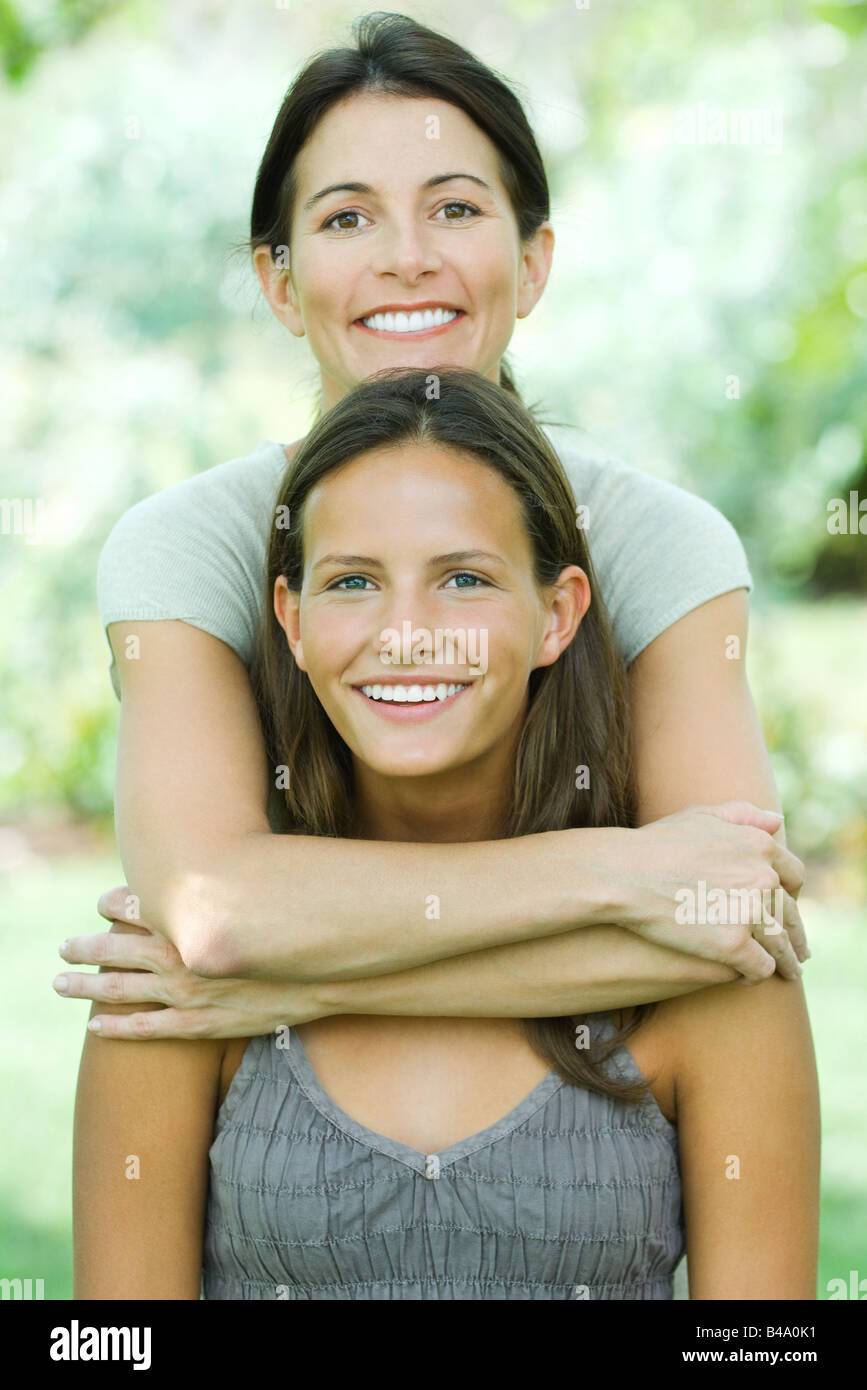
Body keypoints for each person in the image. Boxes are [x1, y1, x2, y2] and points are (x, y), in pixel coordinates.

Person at [61, 13, 815, 1297]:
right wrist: (616, 871)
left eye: (455, 210)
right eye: (347, 218)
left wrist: (295, 984)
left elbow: (723, 929)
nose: (406, 260)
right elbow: (213, 912)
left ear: (533, 262)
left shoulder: (661, 543)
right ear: (280, 278)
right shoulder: (187, 547)